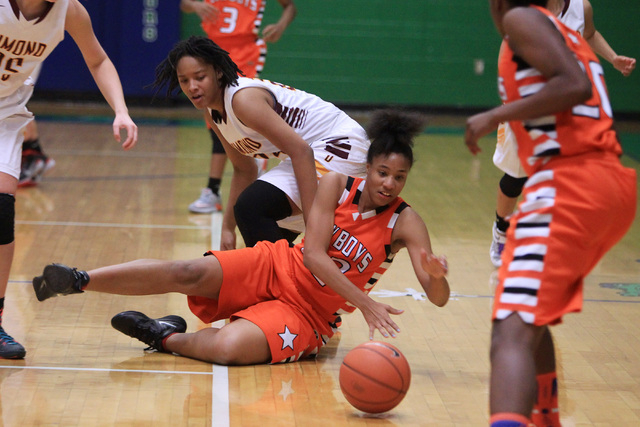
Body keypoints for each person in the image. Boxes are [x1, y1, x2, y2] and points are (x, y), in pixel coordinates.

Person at [31, 110, 450, 365]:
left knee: (229, 349)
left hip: (310, 314)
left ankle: (162, 335)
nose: (390, 184)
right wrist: (368, 305)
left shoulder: (406, 222)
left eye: (399, 177)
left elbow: (437, 297)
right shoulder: (338, 183)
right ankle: (81, 279)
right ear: (368, 166)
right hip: (278, 263)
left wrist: (436, 276)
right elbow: (315, 257)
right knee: (188, 270)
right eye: (383, 173)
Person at [465, 1, 637, 426]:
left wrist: (493, 115)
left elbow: (574, 85)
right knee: (527, 314)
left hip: (570, 184)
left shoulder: (522, 18)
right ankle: (546, 417)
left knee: (510, 329)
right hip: (599, 182)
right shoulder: (560, 31)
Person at [0, 0, 138, 359]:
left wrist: (121, 110)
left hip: (4, 116)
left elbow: (98, 59)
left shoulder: (69, 11)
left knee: (1, 213)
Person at [153, 36, 371, 250]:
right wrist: (228, 228)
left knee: (253, 207)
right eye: (184, 80)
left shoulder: (242, 100)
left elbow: (301, 152)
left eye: (200, 77)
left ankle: (281, 279)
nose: (192, 87)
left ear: (218, 72)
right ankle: (287, 280)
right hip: (315, 153)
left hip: (341, 144)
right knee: (264, 230)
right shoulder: (213, 113)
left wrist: (314, 224)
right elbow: (244, 170)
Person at [489, 0, 636, 267]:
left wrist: (613, 58)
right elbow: (506, 51)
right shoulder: (527, 10)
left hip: (564, 107)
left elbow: (589, 35)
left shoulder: (582, 7)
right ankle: (501, 230)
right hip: (524, 104)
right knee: (515, 177)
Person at [180, 0, 297, 214]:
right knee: (216, 119)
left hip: (245, 51)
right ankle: (218, 187)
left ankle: (230, 178)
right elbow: (183, 4)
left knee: (233, 111)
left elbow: (289, 6)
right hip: (210, 48)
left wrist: (280, 26)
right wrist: (195, 6)